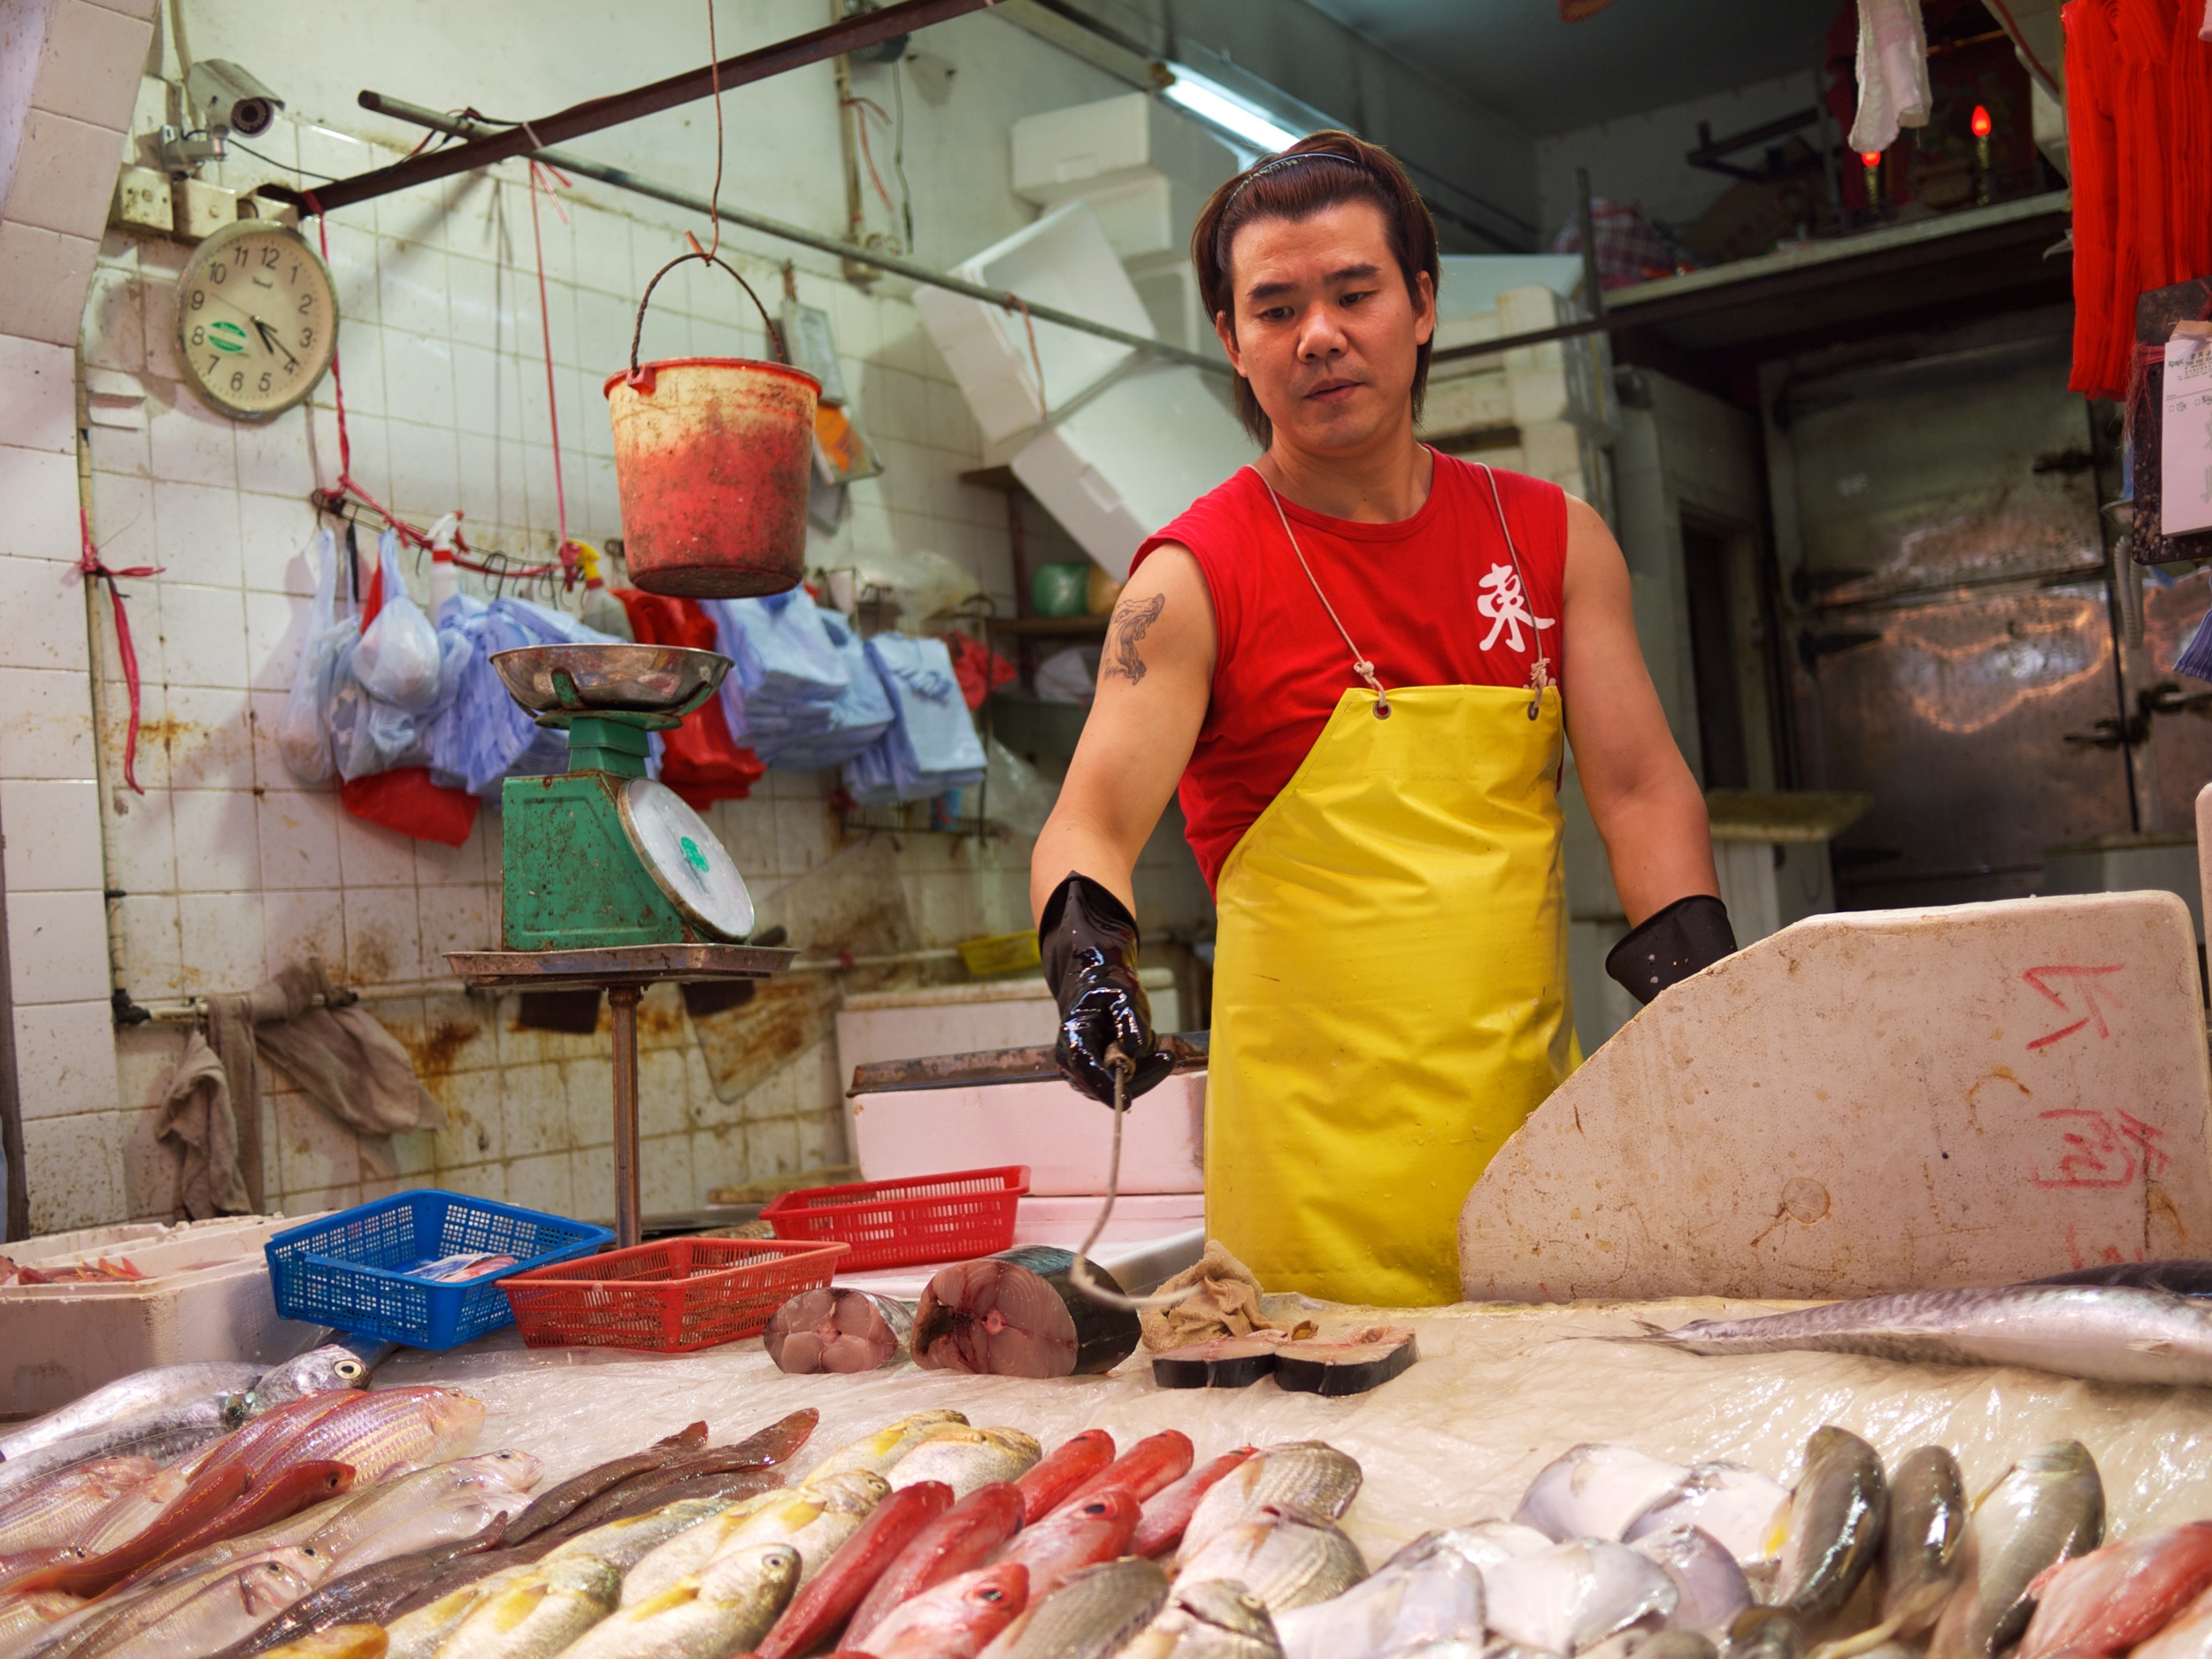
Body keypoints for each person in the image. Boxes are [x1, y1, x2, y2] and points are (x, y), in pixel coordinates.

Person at [1031, 132, 1734, 1308]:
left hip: (1533, 1179)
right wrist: (1087, 964)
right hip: (1308, 1237)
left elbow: (1641, 789)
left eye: (1354, 292)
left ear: (1419, 304)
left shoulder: (1552, 541)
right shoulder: (1191, 576)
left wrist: (1703, 995)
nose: (1319, 334)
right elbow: (1090, 818)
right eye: (1276, 308)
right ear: (1234, 344)